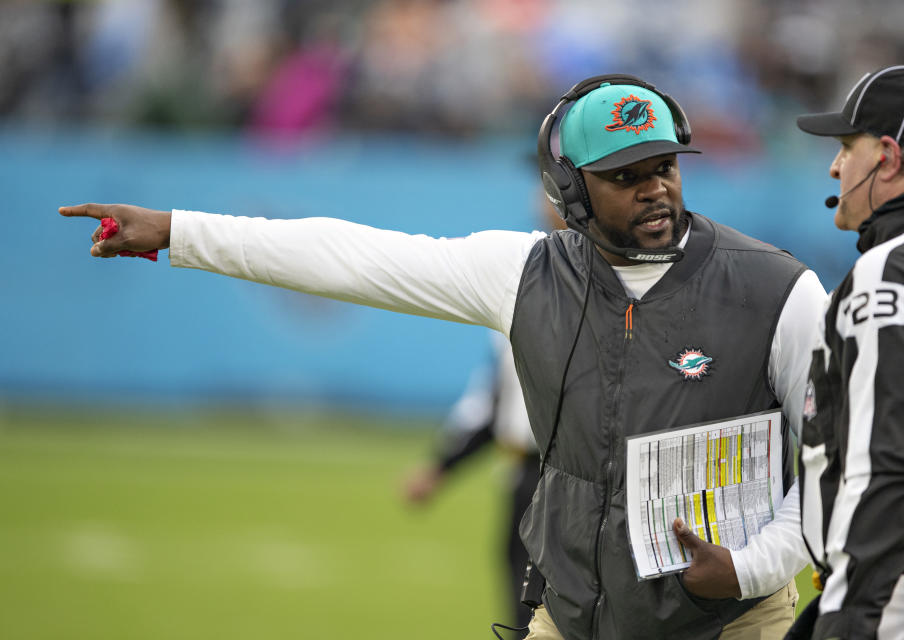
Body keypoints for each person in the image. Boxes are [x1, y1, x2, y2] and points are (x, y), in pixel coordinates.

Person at [60, 73, 825, 639]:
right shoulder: (524, 273)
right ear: (572, 187)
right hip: (576, 614)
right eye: (625, 176)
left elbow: (843, 461)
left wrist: (751, 570)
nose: (656, 189)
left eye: (665, 165)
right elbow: (350, 255)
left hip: (731, 622)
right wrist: (179, 231)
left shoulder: (778, 289)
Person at [792, 64, 904, 639]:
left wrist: (845, 617)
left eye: (846, 146)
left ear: (887, 157)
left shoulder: (896, 271)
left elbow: (891, 468)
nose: (836, 166)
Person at [404, 331, 540, 629]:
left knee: (532, 588)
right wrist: (441, 466)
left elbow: (486, 412)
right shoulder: (516, 327)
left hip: (551, 475)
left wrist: (440, 466)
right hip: (530, 475)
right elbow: (492, 411)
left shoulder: (528, 322)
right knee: (526, 586)